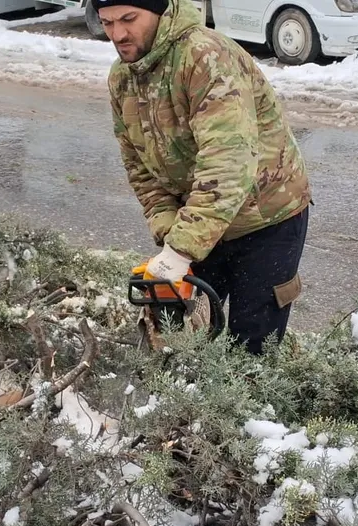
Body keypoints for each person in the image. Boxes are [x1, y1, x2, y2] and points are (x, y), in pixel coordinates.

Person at [98, 0, 312, 354]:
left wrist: (182, 249)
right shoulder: (123, 79)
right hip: (198, 221)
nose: (118, 34)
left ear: (159, 10)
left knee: (251, 345)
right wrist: (169, 230)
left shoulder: (205, 57)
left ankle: (252, 402)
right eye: (107, 23)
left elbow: (227, 163)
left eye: (128, 19)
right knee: (181, 334)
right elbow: (138, 165)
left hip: (267, 217)